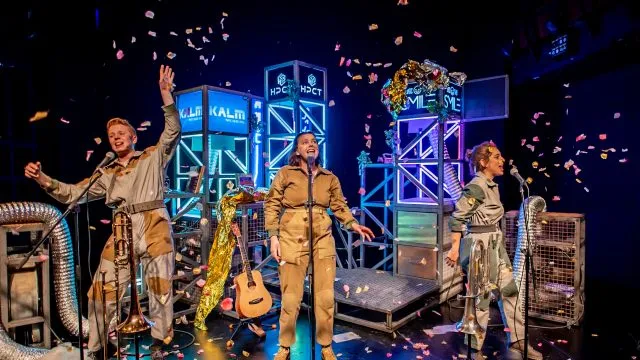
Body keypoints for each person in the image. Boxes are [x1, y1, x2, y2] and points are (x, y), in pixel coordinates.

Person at [24, 65, 180, 360]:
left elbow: (172, 132)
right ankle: (98, 347)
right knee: (101, 290)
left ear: (134, 136)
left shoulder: (151, 156)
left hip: (154, 224)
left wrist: (165, 94)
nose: (116, 138)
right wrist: (42, 179)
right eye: (112, 135)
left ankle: (160, 343)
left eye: (122, 133)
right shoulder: (105, 172)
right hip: (121, 228)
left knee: (160, 286)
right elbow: (73, 193)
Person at [264, 132, 375, 360]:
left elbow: (339, 206)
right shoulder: (286, 174)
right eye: (305, 142)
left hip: (322, 239)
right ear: (297, 151)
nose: (311, 144)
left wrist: (353, 224)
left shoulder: (329, 177)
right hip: (291, 237)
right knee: (291, 297)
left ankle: (325, 345)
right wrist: (273, 236)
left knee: (324, 297)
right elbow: (272, 204)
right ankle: (285, 346)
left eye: (314, 142)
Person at [445, 141, 543, 360]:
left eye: (501, 156)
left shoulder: (491, 185)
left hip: (494, 245)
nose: (502, 161)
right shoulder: (477, 186)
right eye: (497, 157)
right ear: (483, 162)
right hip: (480, 246)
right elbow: (458, 217)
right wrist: (454, 248)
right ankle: (474, 345)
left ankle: (518, 340)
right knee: (481, 296)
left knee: (510, 292)